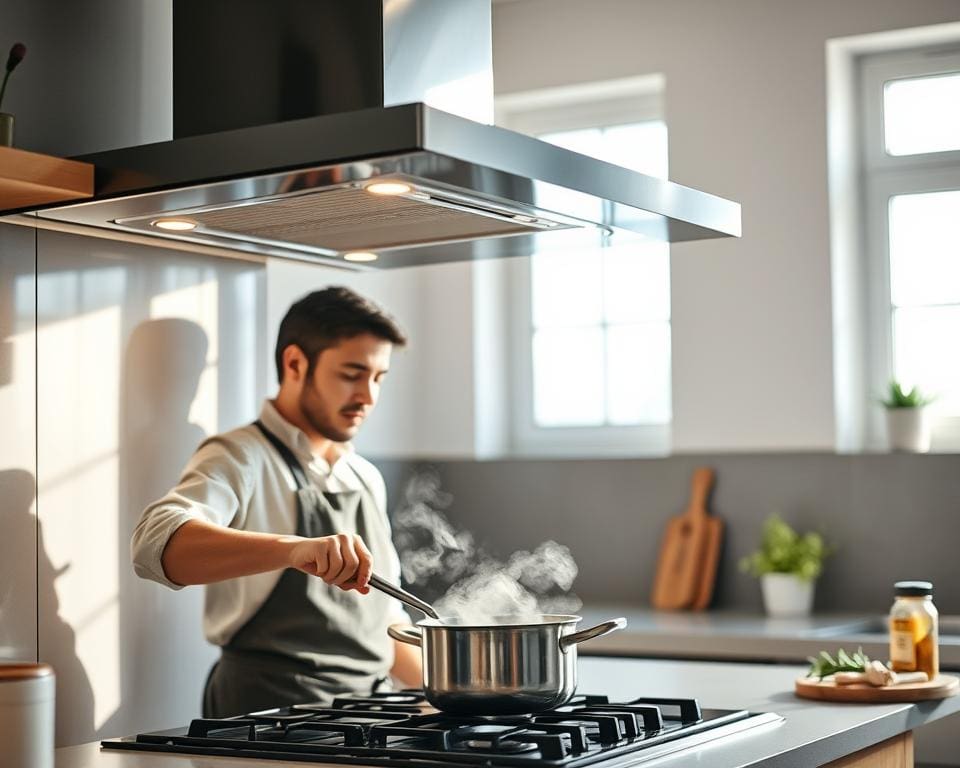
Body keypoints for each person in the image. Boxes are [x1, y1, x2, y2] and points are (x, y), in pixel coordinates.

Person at [131, 286, 422, 717]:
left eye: (378, 378)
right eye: (351, 374)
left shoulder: (364, 477)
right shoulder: (239, 455)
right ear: (295, 364)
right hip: (271, 715)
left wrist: (450, 695)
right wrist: (295, 549)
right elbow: (155, 546)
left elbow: (385, 621)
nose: (368, 396)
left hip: (369, 716)